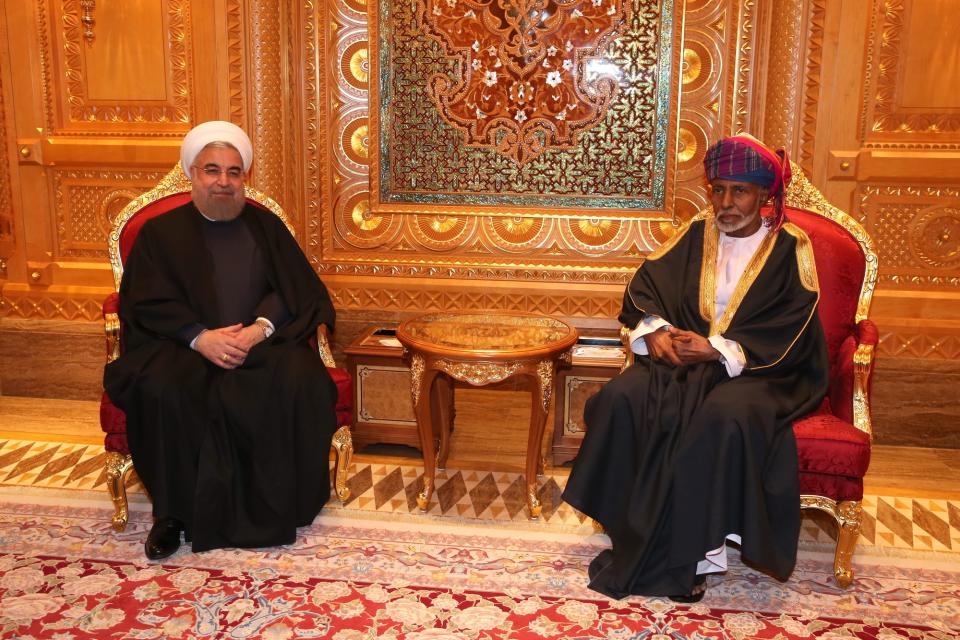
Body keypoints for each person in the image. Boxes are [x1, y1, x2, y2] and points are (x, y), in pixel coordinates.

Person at [562, 134, 828, 602]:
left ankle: (697, 548)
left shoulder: (790, 247)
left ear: (764, 195)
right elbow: (645, 288)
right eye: (718, 189)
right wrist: (657, 330)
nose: (726, 203)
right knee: (619, 398)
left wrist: (719, 350)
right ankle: (629, 523)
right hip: (684, 361)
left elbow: (793, 323)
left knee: (722, 418)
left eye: (739, 191)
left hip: (759, 370)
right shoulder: (696, 232)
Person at [104, 121, 338, 560]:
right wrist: (199, 337)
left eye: (234, 172)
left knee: (300, 379)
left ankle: (283, 503)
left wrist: (257, 330)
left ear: (244, 178)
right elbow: (144, 301)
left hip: (258, 344)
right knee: (162, 388)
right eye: (212, 170)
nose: (224, 182)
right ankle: (172, 515)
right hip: (180, 345)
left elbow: (297, 289)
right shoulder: (160, 233)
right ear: (193, 174)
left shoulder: (265, 227)